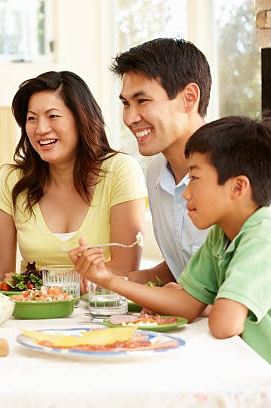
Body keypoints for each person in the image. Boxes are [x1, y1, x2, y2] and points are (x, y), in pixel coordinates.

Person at [70, 116, 271, 363]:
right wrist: (107, 279)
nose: (186, 193)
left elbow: (224, 325)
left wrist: (208, 307)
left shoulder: (263, 235)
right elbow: (185, 303)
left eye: (195, 179)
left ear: (238, 188)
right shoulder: (221, 235)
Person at [0, 71, 147, 284]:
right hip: (34, 315)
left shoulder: (120, 171)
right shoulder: (12, 179)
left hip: (101, 311)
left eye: (53, 116)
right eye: (31, 118)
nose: (41, 129)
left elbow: (124, 270)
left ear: (81, 119)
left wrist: (35, 282)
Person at [110, 38, 212, 285]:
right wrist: (107, 282)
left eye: (142, 101)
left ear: (189, 98)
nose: (130, 118)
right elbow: (187, 265)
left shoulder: (238, 171)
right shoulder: (155, 172)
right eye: (125, 104)